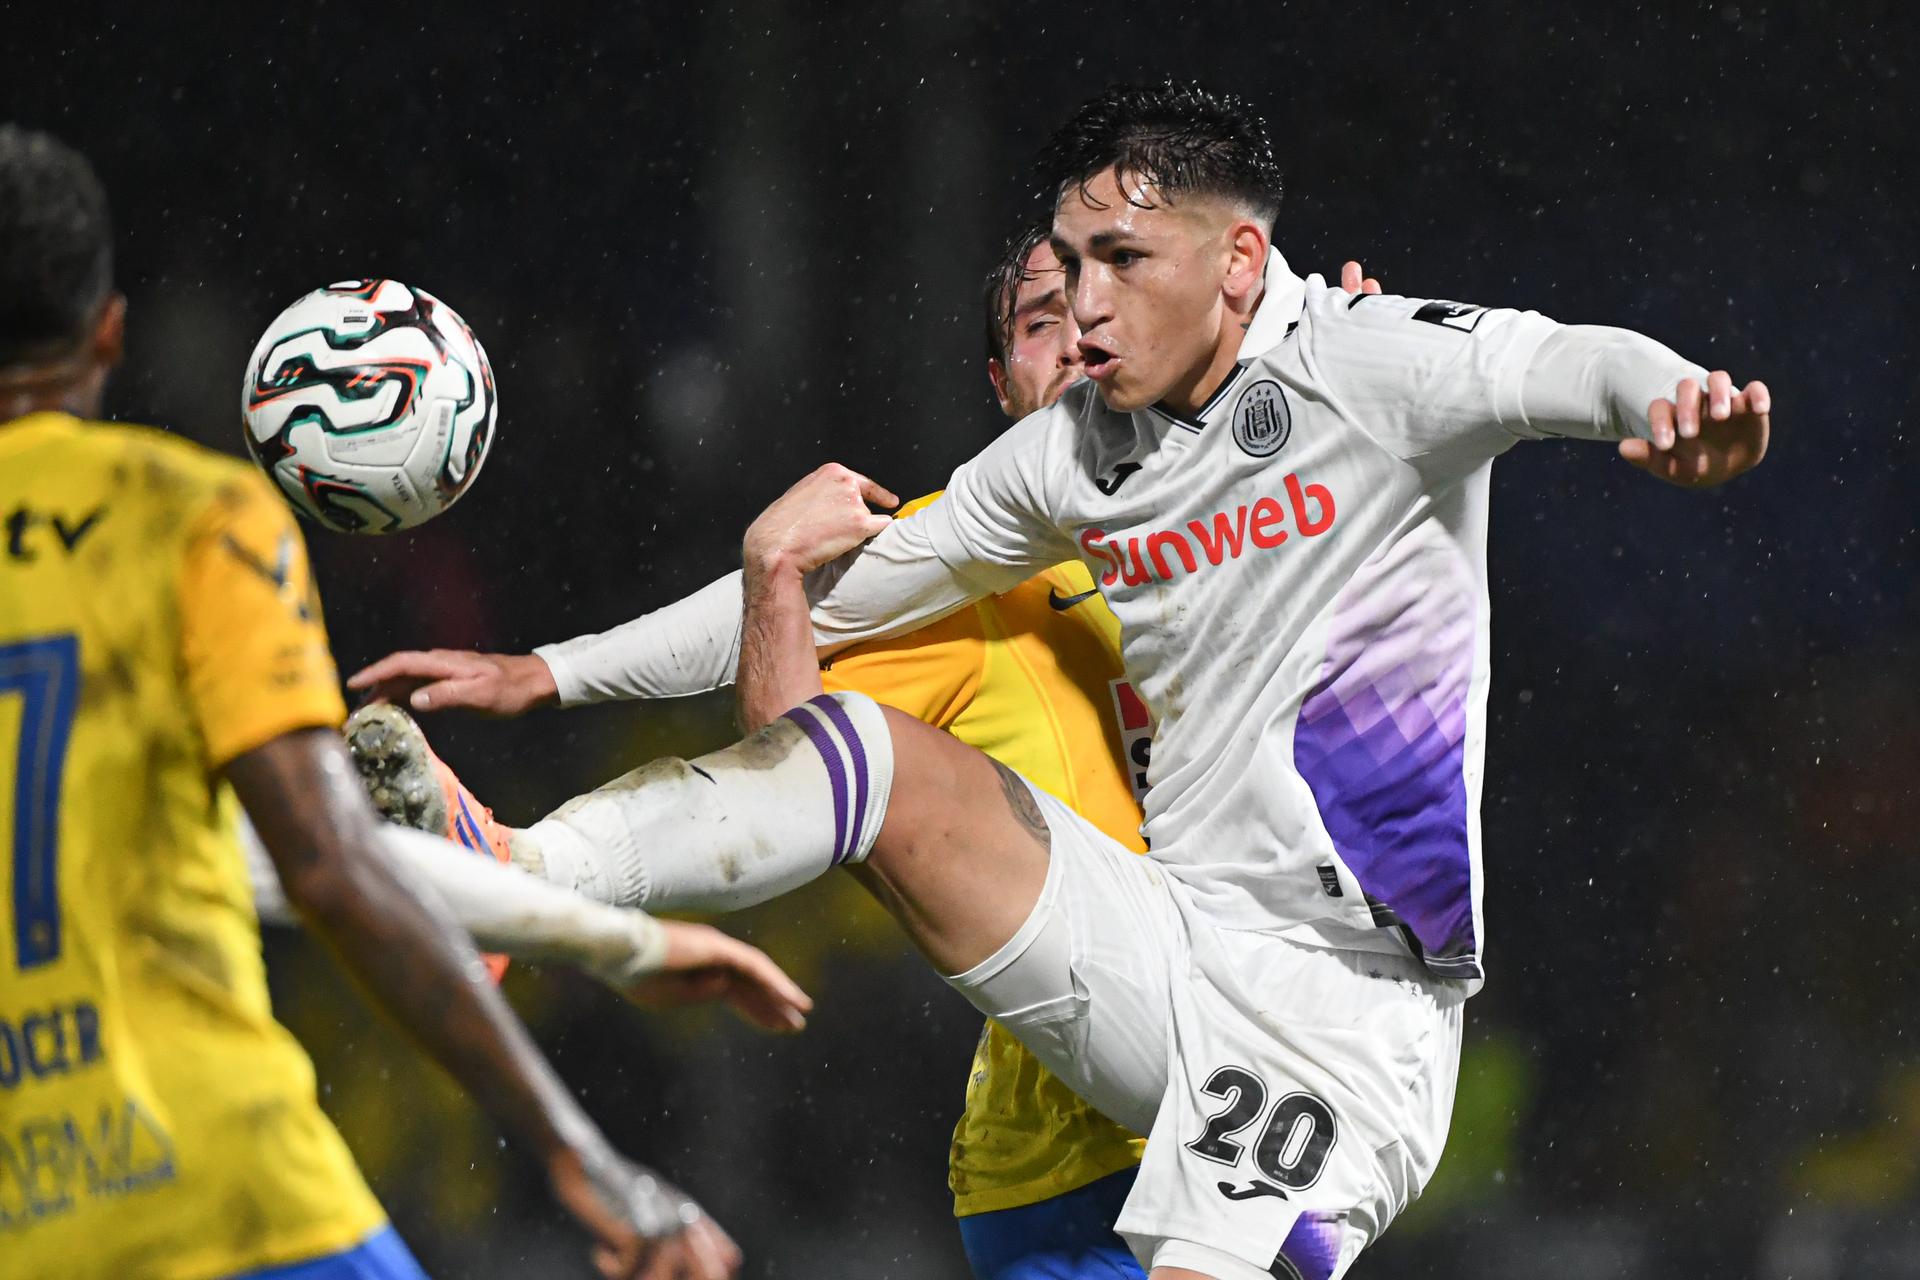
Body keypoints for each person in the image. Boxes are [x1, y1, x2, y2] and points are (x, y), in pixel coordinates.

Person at [352, 81, 1770, 1280]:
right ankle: (520, 867)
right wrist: (552, 671)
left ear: (1236, 263)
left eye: (1117, 264)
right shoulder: (1072, 457)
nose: (1084, 309)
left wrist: (1682, 407)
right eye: (1065, 269)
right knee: (870, 752)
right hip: (1162, 946)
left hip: (1347, 1018)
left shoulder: (1370, 363)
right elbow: (841, 598)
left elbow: (1568, 362)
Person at [349, 217, 1380, 1278]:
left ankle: (520, 870)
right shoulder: (968, 568)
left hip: (1270, 1079)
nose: (1076, 340)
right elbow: (796, 774)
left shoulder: (1266, 491)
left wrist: (1360, 416)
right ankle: (516, 866)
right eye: (1040, 323)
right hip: (1078, 1165)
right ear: (1000, 380)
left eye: (1102, 314)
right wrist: (771, 575)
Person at [0, 124, 811, 1280]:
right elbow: (325, 856)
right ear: (109, 330)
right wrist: (579, 1142)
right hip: (209, 1184)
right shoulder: (181, 517)